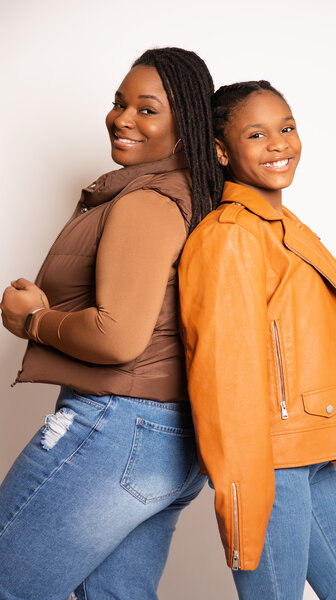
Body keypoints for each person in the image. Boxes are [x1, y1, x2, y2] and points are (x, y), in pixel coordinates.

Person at [0, 47, 222, 600]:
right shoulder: (188, 193)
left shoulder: (147, 200)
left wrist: (34, 320)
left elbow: (119, 336)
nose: (122, 119)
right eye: (119, 103)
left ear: (186, 121)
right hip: (170, 435)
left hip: (118, 426)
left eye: (147, 109)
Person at [178, 80, 336, 599]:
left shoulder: (282, 225)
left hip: (311, 448)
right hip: (269, 460)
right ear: (221, 151)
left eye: (287, 127)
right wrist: (240, 483)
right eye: (256, 133)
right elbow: (221, 373)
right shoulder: (230, 234)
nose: (279, 143)